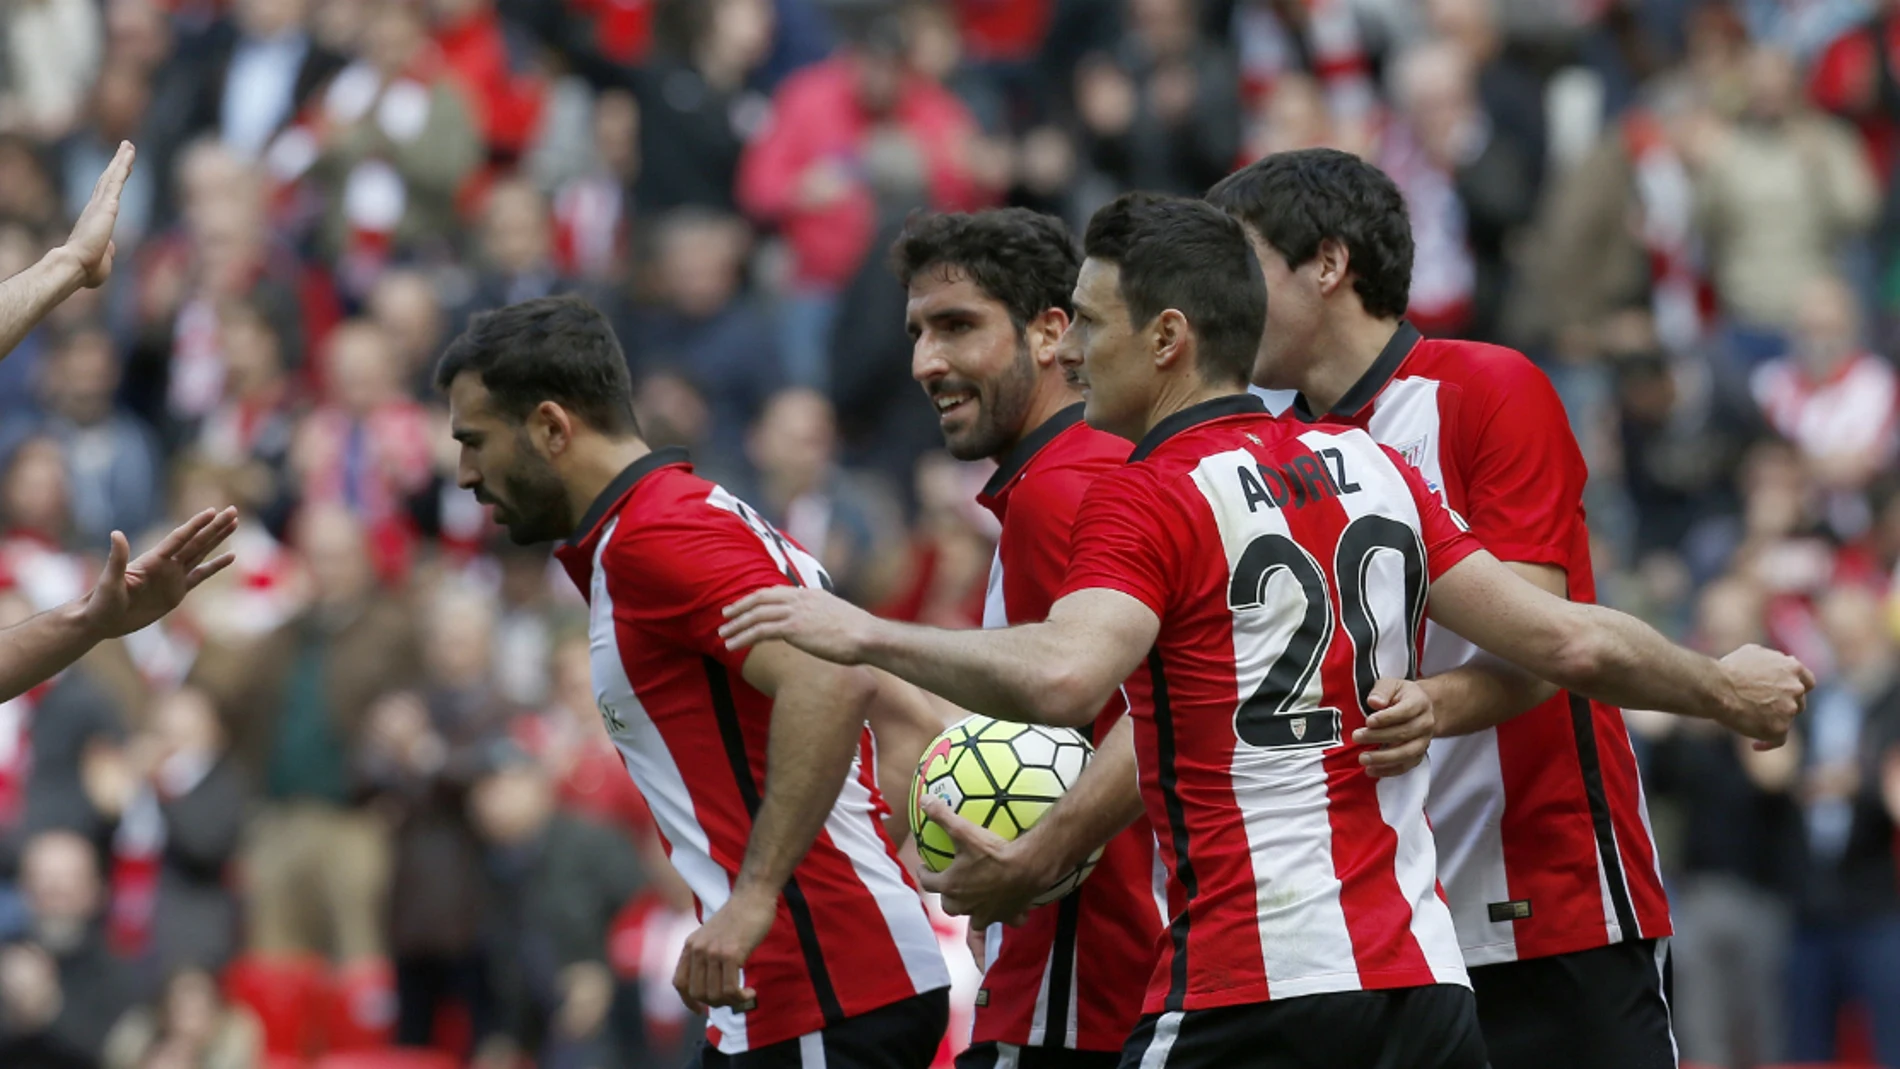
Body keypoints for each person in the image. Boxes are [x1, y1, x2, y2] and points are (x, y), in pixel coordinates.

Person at [718, 192, 1814, 1069]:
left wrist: (861, 632)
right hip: (1422, 987)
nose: (1075, 353)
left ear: (1166, 339)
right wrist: (1723, 689)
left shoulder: (1149, 493)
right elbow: (1568, 641)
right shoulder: (1374, 466)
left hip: (1254, 979)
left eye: (1090, 326)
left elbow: (1064, 673)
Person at [436, 295, 951, 1067]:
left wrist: (760, 898)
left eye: (475, 441)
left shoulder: (654, 536)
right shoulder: (689, 517)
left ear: (550, 426)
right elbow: (896, 709)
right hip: (818, 985)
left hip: (820, 994)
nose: (467, 473)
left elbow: (832, 683)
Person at [890, 207, 1158, 1069]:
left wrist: (1027, 860)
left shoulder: (1065, 490)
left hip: (1080, 992)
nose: (927, 362)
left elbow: (1141, 721)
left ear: (1052, 332)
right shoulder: (1087, 473)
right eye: (918, 332)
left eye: (958, 326)